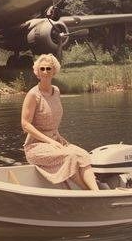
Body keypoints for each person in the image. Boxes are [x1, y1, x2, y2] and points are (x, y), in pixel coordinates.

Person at [21, 53, 99, 191]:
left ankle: (96, 192)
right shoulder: (33, 95)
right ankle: (87, 192)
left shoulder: (56, 91)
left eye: (48, 69)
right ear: (37, 72)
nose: (45, 72)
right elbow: (25, 125)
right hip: (36, 146)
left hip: (56, 140)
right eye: (42, 69)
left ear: (54, 71)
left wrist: (57, 139)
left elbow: (52, 121)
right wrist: (50, 141)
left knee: (83, 155)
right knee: (70, 156)